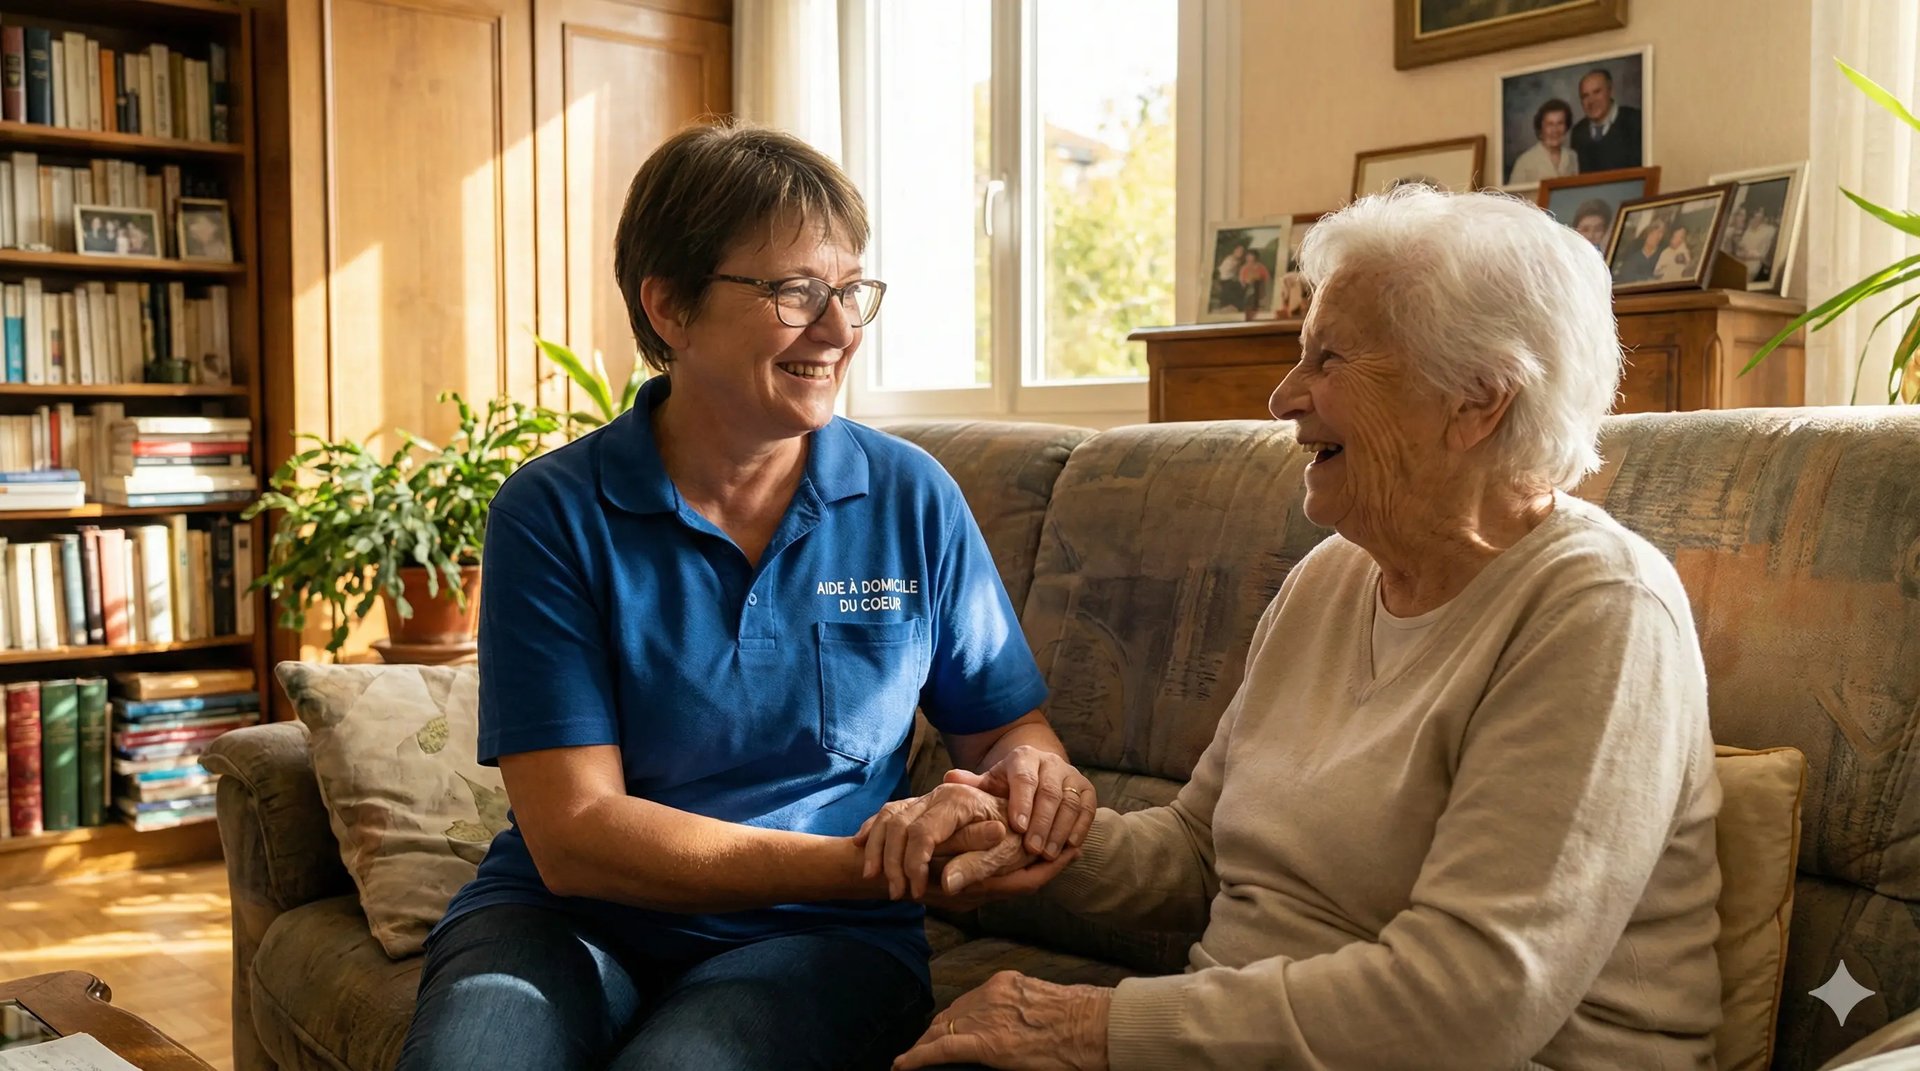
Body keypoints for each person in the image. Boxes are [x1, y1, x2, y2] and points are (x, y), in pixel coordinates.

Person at [874, 186, 1723, 1071]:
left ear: (1478, 399)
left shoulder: (1601, 614)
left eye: (1329, 361)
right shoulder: (1333, 574)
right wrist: (1041, 831)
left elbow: (1467, 1004)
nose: (1284, 396)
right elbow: (1202, 851)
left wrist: (1099, 1027)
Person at [391, 121, 1098, 1071]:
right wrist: (868, 860)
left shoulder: (909, 496)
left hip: (821, 938)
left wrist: (1034, 776)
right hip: (565, 920)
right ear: (671, 307)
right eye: (797, 292)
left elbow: (1005, 727)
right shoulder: (552, 512)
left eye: (851, 292)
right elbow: (578, 836)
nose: (841, 329)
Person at [1570, 68, 1644, 172]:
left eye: (1597, 92)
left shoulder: (1635, 120)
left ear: (1610, 91)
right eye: (1585, 96)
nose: (1591, 101)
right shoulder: (1578, 132)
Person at [1506, 98, 1579, 185]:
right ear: (1541, 128)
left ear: (1566, 127)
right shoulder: (1524, 162)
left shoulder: (1572, 157)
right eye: (1550, 124)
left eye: (1560, 123)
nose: (1555, 130)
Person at [1612, 212, 1667, 283]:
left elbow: (1662, 275)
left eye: (1661, 234)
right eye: (1653, 234)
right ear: (1647, 235)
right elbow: (1626, 275)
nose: (1657, 237)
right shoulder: (1634, 256)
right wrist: (1648, 279)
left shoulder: (1662, 255)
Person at [1736, 205, 1779, 283]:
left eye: (1759, 212)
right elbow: (1739, 251)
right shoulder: (1747, 230)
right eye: (1754, 212)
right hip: (1741, 269)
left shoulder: (1770, 231)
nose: (1756, 215)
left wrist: (1748, 253)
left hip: (1756, 272)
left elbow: (1764, 255)